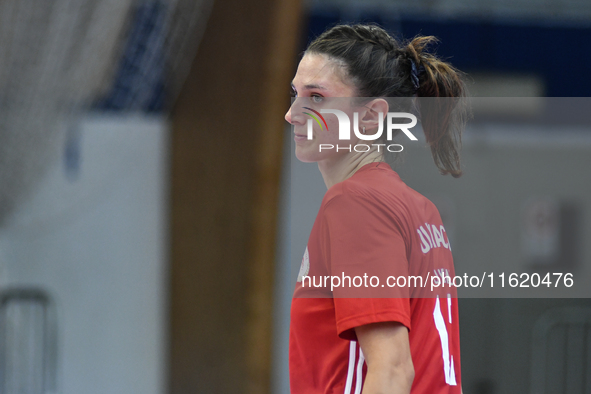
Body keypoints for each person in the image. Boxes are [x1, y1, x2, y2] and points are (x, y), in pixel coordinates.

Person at [285, 24, 467, 394]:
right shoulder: (419, 208)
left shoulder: (355, 204)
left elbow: (393, 370)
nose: (292, 114)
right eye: (295, 94)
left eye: (316, 97)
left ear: (370, 117)